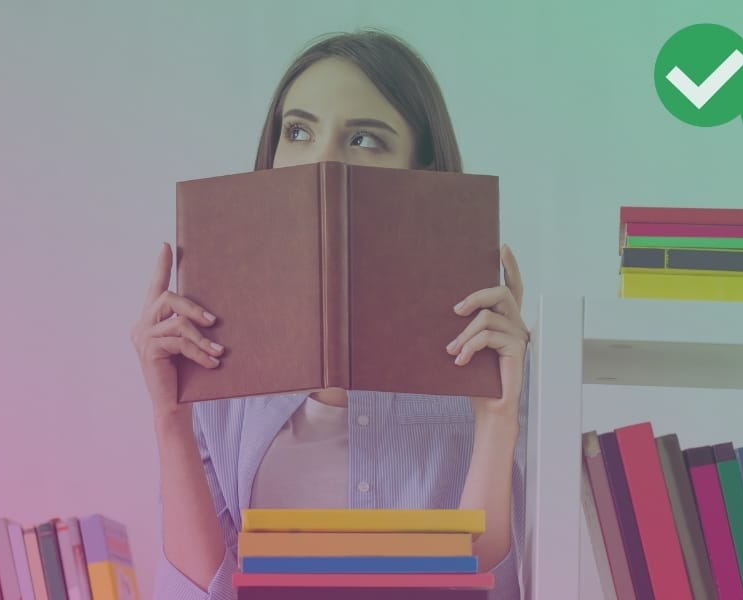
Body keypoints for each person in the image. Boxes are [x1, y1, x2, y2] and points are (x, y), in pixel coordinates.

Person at [131, 29, 532, 600]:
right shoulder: (214, 349)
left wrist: (497, 421)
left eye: (365, 139)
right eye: (297, 132)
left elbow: (493, 587)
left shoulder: (484, 347)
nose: (322, 162)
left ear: (422, 172)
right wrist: (169, 418)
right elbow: (200, 590)